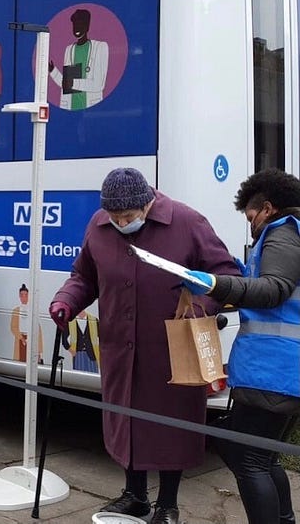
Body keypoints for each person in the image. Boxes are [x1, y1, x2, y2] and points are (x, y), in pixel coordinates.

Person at [48, 167, 238, 524]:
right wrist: (66, 302)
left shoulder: (187, 221)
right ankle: (134, 495)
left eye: (129, 216)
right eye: (115, 216)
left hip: (171, 345)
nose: (121, 222)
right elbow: (84, 276)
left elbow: (227, 278)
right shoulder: (98, 225)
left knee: (171, 424)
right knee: (126, 420)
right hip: (121, 345)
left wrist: (199, 305)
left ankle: (168, 504)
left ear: (148, 203)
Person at [183, 169, 300, 524]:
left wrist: (217, 284)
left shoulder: (282, 233)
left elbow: (272, 289)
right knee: (262, 457)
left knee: (249, 459)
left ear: (266, 208)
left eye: (251, 217)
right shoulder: (289, 236)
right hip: (279, 371)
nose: (250, 225)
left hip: (272, 370)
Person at [48, 8, 110, 111]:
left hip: (90, 109)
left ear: (87, 26)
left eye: (80, 24)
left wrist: (72, 83)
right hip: (69, 108)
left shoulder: (100, 47)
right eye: (75, 24)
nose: (77, 27)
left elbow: (99, 84)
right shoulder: (70, 50)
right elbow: (66, 85)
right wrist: (53, 71)